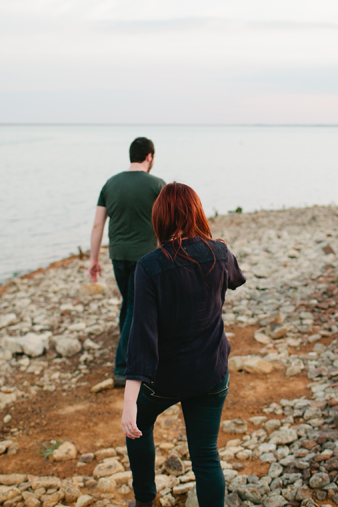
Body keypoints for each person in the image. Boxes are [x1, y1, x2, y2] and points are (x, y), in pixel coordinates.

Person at [120, 182, 246, 507]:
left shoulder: (148, 267)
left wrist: (129, 401)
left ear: (159, 218)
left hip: (166, 379)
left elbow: (141, 335)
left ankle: (145, 499)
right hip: (211, 373)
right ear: (197, 213)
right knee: (205, 456)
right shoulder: (220, 252)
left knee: (138, 425)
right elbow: (236, 278)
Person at [89, 137, 165, 387]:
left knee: (129, 304)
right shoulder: (157, 185)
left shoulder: (110, 183)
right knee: (135, 307)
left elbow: (98, 224)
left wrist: (94, 259)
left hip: (117, 256)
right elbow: (169, 223)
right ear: (150, 157)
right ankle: (122, 368)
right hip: (145, 258)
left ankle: (133, 356)